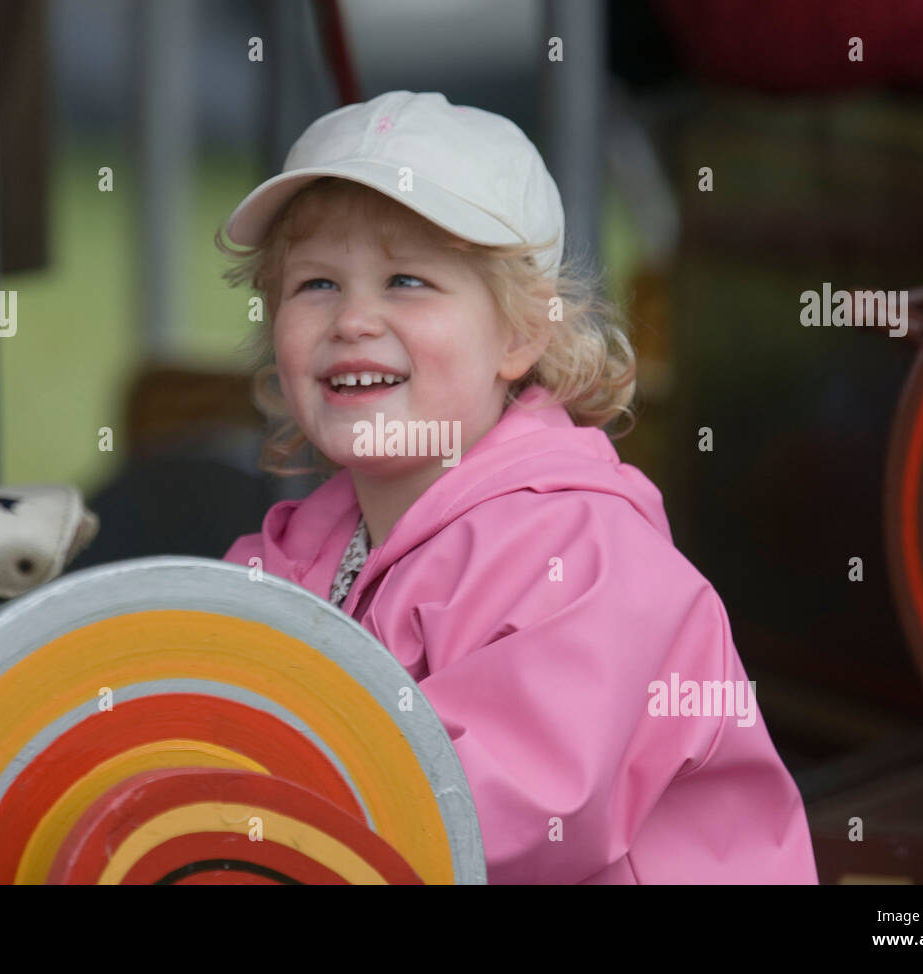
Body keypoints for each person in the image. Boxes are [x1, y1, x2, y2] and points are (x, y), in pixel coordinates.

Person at [215, 90, 817, 884]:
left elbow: (500, 813)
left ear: (522, 335)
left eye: (406, 281)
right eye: (316, 285)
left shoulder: (587, 557)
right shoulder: (289, 560)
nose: (354, 319)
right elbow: (201, 702)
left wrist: (248, 820)